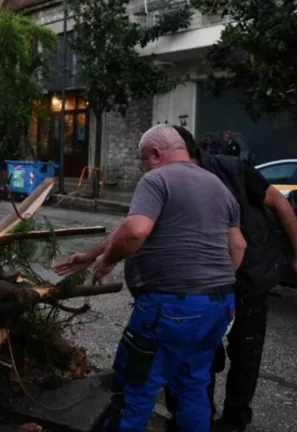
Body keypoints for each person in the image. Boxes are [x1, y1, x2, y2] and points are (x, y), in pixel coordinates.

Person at [55, 125, 246, 432]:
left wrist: (109, 259)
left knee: (136, 386)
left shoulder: (157, 179)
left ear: (156, 154)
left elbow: (135, 231)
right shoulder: (219, 187)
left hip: (171, 306)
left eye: (144, 159)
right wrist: (92, 254)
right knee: (193, 386)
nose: (144, 166)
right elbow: (238, 246)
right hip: (218, 305)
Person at [161, 126, 297, 432]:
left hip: (247, 278)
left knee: (245, 354)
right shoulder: (164, 181)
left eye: (156, 156)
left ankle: (234, 419)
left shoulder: (232, 170)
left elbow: (279, 203)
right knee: (197, 352)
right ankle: (198, 417)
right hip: (200, 285)